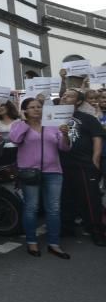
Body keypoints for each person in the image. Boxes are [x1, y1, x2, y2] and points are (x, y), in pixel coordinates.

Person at [10, 98, 71, 258]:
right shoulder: (19, 125)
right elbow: (15, 140)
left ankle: (54, 243)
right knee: (31, 207)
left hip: (53, 172)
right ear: (25, 110)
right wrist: (24, 122)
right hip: (29, 173)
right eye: (32, 107)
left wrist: (65, 135)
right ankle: (31, 241)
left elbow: (64, 148)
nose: (37, 109)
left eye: (39, 106)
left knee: (54, 209)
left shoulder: (52, 125)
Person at [58, 89, 105, 246]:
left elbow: (97, 138)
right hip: (61, 165)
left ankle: (96, 231)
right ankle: (67, 228)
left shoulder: (87, 118)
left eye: (70, 96)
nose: (65, 97)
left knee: (90, 200)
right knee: (66, 198)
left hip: (83, 165)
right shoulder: (53, 117)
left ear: (78, 102)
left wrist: (95, 159)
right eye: (64, 95)